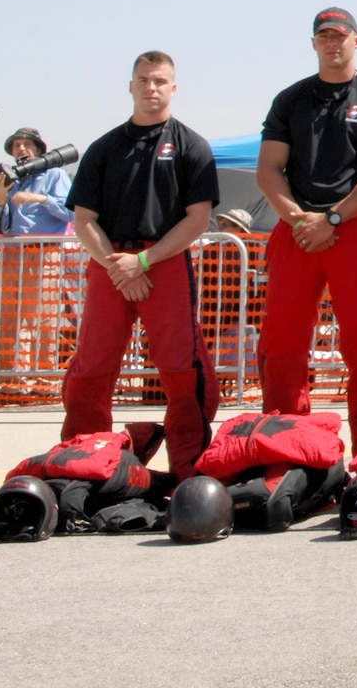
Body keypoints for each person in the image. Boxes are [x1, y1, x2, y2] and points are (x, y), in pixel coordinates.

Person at [254, 7, 357, 456]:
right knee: (282, 340)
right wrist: (297, 217)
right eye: (324, 36)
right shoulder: (291, 99)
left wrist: (334, 217)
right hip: (297, 230)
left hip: (353, 228)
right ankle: (286, 443)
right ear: (314, 43)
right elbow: (268, 169)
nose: (332, 42)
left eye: (340, 35)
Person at [62, 52, 222, 475]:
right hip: (109, 261)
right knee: (91, 368)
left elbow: (198, 218)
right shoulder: (104, 148)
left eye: (160, 81)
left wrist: (144, 262)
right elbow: (83, 220)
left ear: (173, 88)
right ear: (131, 86)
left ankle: (188, 469)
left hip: (164, 261)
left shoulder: (192, 146)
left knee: (181, 370)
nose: (151, 87)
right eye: (144, 80)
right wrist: (119, 267)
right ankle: (84, 459)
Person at [0, 128, 74, 236]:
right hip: (13, 251)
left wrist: (42, 199)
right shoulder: (8, 180)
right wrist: (0, 198)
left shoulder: (55, 175)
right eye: (17, 145)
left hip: (46, 250)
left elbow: (71, 213)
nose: (22, 148)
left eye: (27, 144)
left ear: (38, 150)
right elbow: (0, 228)